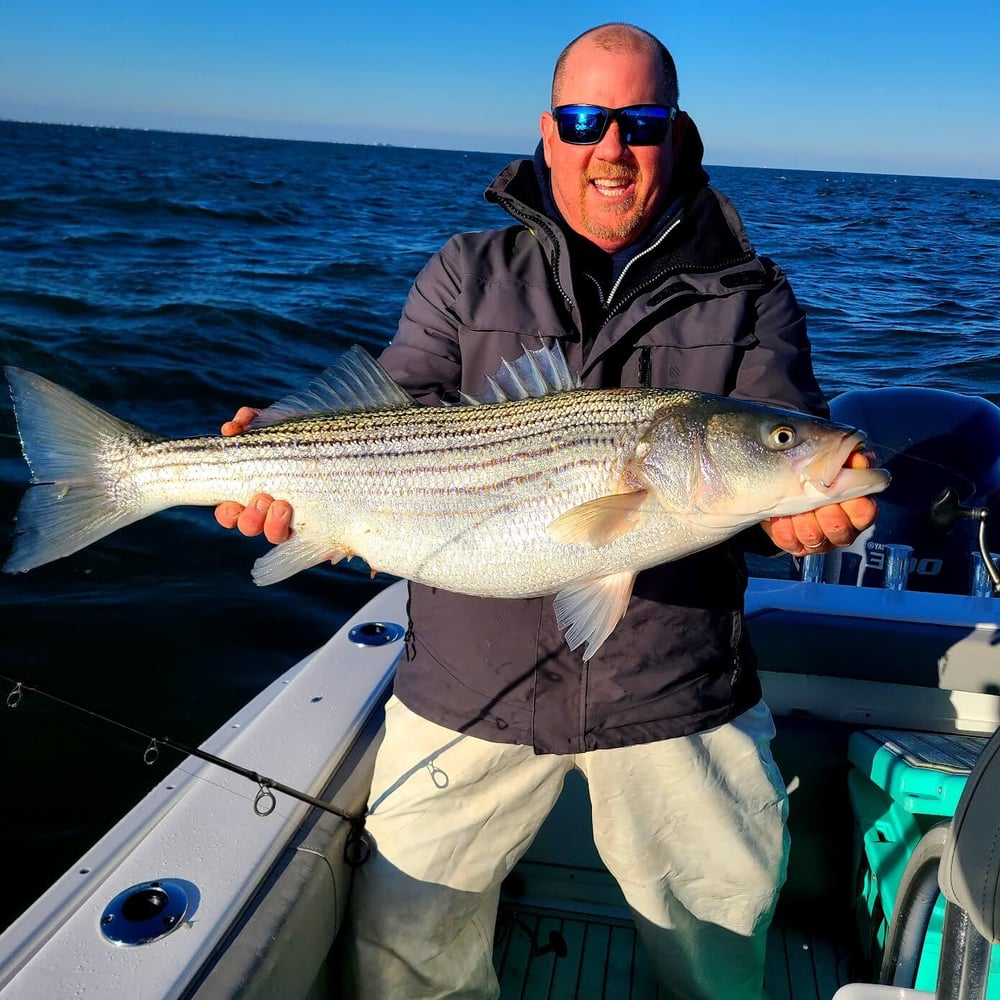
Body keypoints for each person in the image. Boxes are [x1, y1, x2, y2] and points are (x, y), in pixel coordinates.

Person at [216, 23, 878, 1000]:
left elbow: (790, 432)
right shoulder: (465, 270)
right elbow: (389, 413)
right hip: (467, 681)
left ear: (675, 131)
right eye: (584, 119)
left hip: (674, 684)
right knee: (408, 958)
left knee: (717, 947)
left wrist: (805, 499)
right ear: (549, 131)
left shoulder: (752, 292)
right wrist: (289, 457)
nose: (610, 145)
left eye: (639, 121)